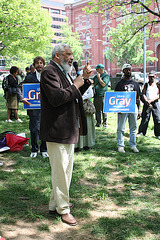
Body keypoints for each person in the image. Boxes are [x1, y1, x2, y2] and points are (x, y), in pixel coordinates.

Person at [40, 43, 92, 226]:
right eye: (68, 54)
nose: (72, 57)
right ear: (57, 56)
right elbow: (56, 99)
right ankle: (64, 210)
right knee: (61, 171)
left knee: (65, 170)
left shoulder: (63, 71)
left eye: (71, 54)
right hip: (56, 129)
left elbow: (73, 95)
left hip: (68, 128)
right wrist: (76, 83)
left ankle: (55, 204)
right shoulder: (49, 71)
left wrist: (83, 80)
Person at [17, 56, 48, 158]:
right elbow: (19, 87)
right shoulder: (30, 76)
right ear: (34, 65)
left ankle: (44, 149)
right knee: (34, 129)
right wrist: (22, 98)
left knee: (45, 128)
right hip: (33, 108)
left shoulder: (48, 75)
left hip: (46, 108)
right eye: (37, 63)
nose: (39, 64)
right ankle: (34, 149)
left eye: (41, 63)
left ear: (43, 64)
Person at [115, 63, 141, 153]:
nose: (128, 71)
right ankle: (120, 145)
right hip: (123, 107)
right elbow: (116, 97)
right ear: (123, 71)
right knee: (121, 127)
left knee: (133, 127)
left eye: (130, 69)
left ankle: (133, 145)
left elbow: (138, 98)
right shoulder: (119, 84)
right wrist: (117, 109)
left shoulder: (135, 84)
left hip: (133, 107)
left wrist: (139, 109)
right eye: (126, 69)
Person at [137, 71, 160, 139]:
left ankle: (158, 134)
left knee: (157, 118)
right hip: (147, 103)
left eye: (152, 77)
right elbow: (143, 93)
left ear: (155, 76)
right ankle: (141, 132)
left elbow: (159, 95)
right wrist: (146, 101)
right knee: (145, 118)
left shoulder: (157, 85)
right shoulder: (146, 84)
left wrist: (152, 100)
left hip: (155, 102)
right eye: (150, 77)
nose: (151, 78)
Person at [75, 85, 95, 151]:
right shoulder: (74, 81)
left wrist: (81, 97)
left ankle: (86, 144)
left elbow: (91, 94)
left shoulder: (87, 84)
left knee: (87, 124)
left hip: (85, 106)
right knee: (77, 125)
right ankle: (77, 145)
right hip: (76, 105)